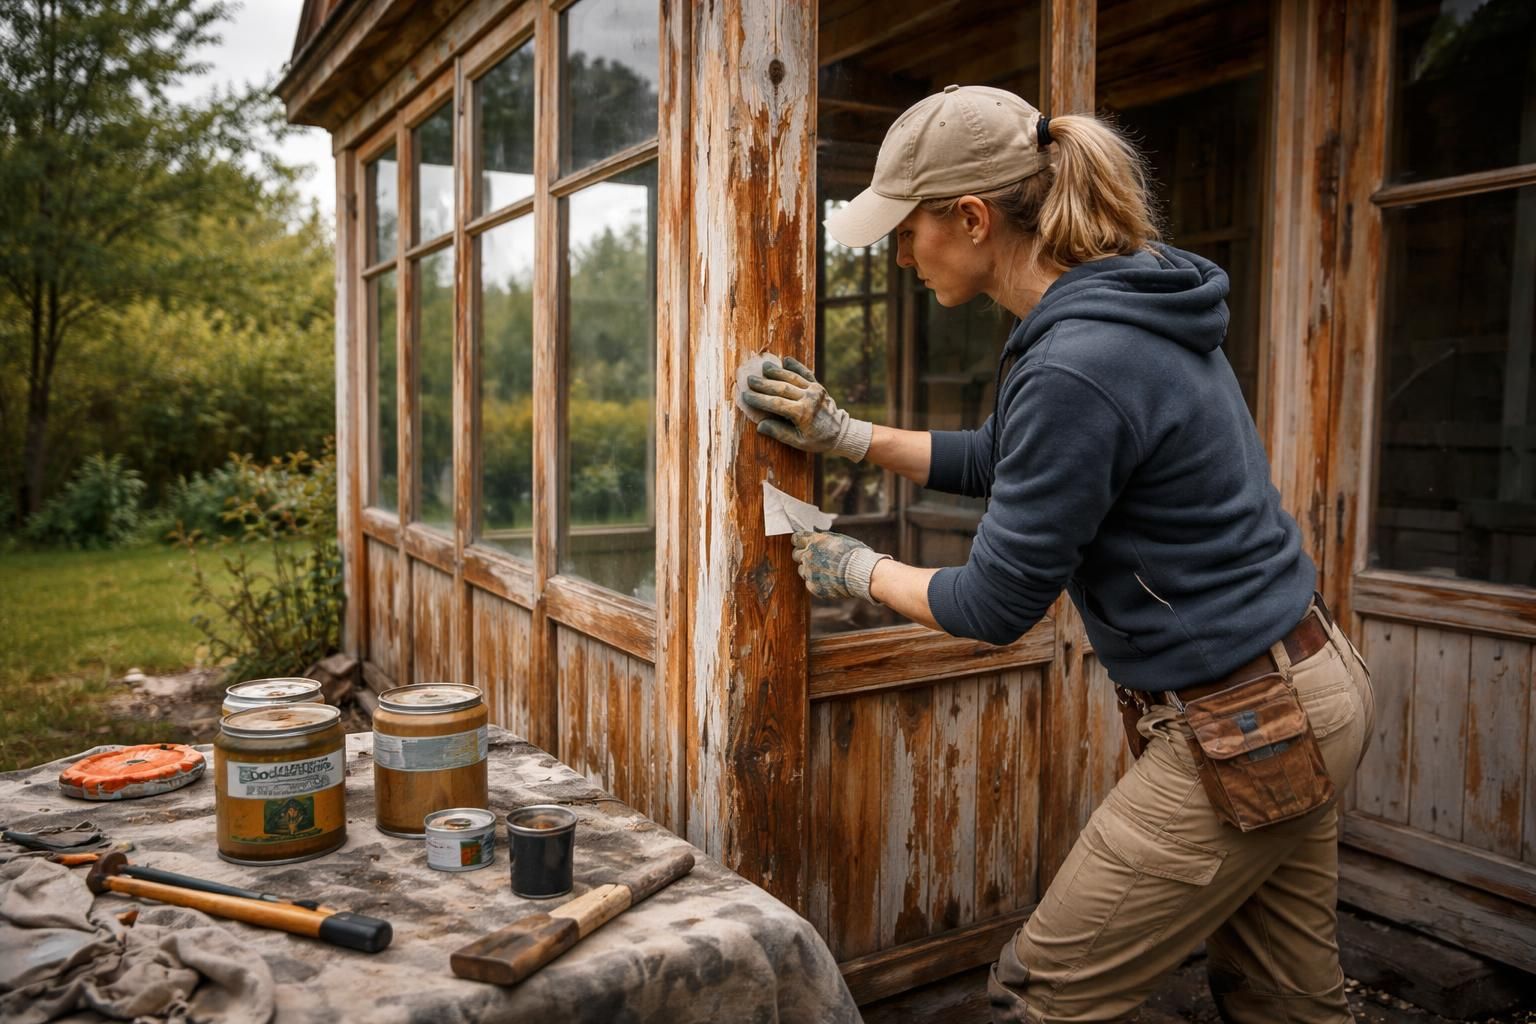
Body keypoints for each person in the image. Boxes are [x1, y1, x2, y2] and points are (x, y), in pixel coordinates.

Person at [740, 85, 1376, 1024]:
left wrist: (851, 568)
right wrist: (849, 433)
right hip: (1307, 683)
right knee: (1286, 1000)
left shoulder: (1080, 358)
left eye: (908, 228)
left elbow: (996, 605)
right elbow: (1008, 457)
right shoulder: (1121, 307)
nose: (899, 251)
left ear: (971, 217)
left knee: (1040, 998)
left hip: (1246, 722)